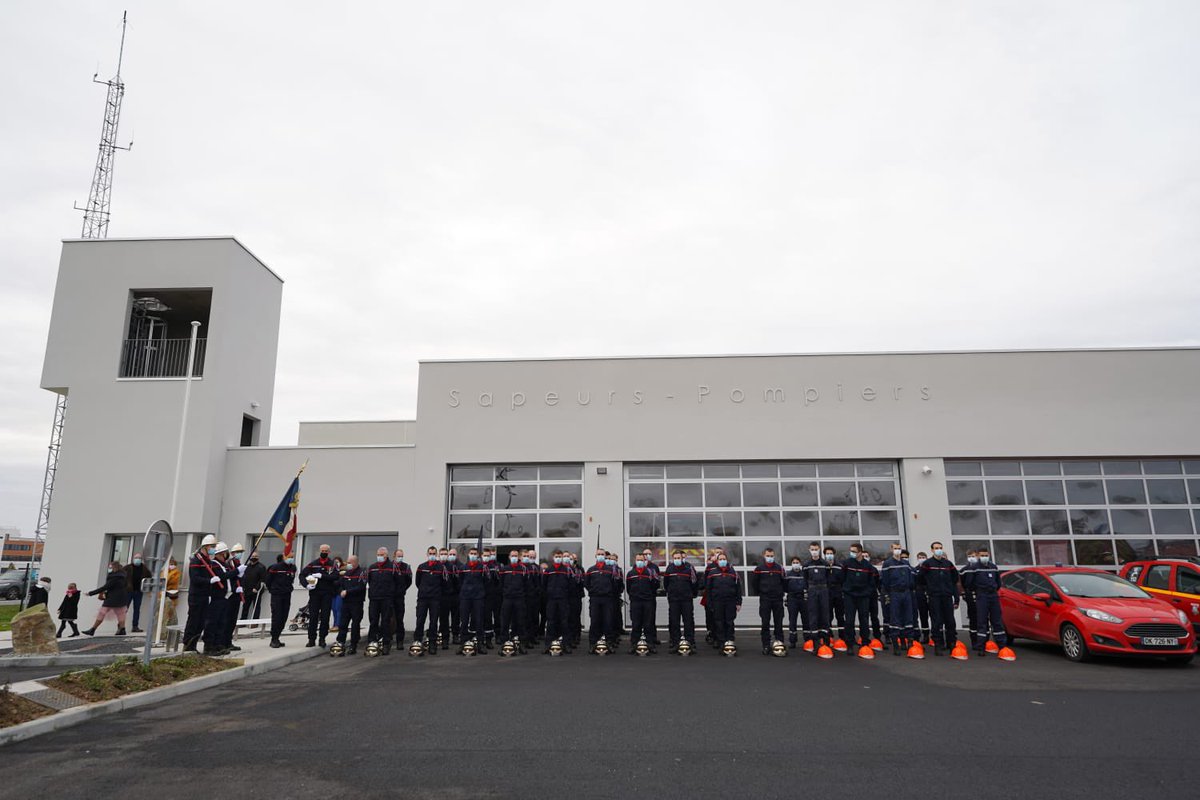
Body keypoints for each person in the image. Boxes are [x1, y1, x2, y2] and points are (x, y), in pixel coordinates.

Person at [918, 542, 960, 656]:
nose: (939, 550)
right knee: (937, 621)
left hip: (947, 596)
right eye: (936, 548)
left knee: (950, 621)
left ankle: (951, 643)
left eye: (940, 548)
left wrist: (950, 590)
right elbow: (920, 578)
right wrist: (929, 588)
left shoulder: (948, 564)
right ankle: (938, 644)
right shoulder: (927, 563)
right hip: (934, 596)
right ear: (932, 550)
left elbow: (955, 577)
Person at [967, 547, 1006, 654]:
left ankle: (1002, 645)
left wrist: (993, 590)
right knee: (982, 621)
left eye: (986, 555)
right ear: (978, 556)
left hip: (993, 595)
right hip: (981, 595)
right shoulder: (975, 568)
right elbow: (970, 584)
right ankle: (981, 647)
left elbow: (998, 582)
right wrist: (978, 591)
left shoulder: (993, 567)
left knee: (997, 621)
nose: (984, 557)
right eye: (982, 555)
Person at [183, 535, 219, 651]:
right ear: (206, 546)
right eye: (212, 546)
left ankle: (193, 646)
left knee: (201, 623)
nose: (213, 549)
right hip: (196, 596)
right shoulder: (196, 560)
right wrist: (209, 581)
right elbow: (195, 578)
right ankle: (188, 646)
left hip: (204, 595)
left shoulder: (207, 560)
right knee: (194, 621)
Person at [299, 544, 339, 648]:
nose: (324, 552)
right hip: (315, 594)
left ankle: (322, 638)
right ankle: (311, 639)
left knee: (325, 617)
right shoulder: (313, 564)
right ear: (319, 551)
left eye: (326, 551)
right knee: (313, 617)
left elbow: (336, 576)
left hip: (327, 593)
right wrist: (306, 585)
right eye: (322, 550)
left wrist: (323, 576)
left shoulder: (333, 564)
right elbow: (302, 575)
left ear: (329, 552)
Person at [881, 542, 917, 655]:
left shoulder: (906, 563)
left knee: (908, 617)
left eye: (899, 548)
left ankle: (909, 642)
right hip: (894, 593)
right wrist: (888, 594)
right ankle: (896, 645)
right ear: (892, 549)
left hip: (906, 593)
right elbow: (885, 581)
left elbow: (911, 578)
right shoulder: (887, 564)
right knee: (895, 618)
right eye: (895, 548)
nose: (898, 550)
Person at [752, 548, 786, 654]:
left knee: (778, 622)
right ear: (764, 555)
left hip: (777, 599)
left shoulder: (779, 568)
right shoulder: (759, 568)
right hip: (765, 599)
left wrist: (781, 592)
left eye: (771, 556)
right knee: (765, 622)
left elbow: (784, 582)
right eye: (768, 555)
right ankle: (766, 645)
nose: (770, 558)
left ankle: (779, 643)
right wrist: (761, 592)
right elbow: (754, 583)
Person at [82, 561, 129, 636]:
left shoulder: (114, 577)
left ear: (114, 567)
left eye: (110, 567)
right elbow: (126, 585)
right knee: (121, 614)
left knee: (102, 612)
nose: (109, 568)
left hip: (112, 598)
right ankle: (122, 629)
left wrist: (90, 593)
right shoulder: (122, 576)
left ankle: (92, 629)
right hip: (121, 598)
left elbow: (105, 587)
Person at [663, 549, 698, 649]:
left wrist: (692, 593)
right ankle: (675, 642)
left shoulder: (689, 568)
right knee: (674, 621)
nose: (677, 560)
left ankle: (690, 641)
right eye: (675, 558)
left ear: (682, 558)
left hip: (686, 599)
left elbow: (694, 582)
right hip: (674, 599)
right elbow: (666, 583)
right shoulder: (669, 569)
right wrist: (670, 592)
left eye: (678, 558)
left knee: (689, 621)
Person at [803, 543, 834, 654]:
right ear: (809, 550)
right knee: (813, 615)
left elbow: (829, 578)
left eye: (816, 549)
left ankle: (826, 642)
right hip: (812, 590)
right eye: (812, 549)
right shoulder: (806, 564)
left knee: (825, 615)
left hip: (823, 589)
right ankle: (815, 643)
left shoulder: (825, 564)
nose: (814, 551)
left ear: (819, 550)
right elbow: (805, 579)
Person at [414, 546, 447, 653]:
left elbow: (444, 583)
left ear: (436, 554)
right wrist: (424, 590)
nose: (432, 555)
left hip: (435, 599)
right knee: (420, 620)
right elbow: (418, 582)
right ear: (427, 554)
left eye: (434, 553)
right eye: (430, 553)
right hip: (423, 598)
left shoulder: (441, 567)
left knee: (433, 622)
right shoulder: (421, 567)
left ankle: (432, 644)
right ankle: (418, 641)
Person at [625, 552, 659, 653]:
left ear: (645, 561)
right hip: (636, 602)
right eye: (638, 560)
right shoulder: (631, 573)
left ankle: (650, 644)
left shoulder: (650, 572)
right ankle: (634, 644)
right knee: (636, 624)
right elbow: (628, 588)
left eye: (642, 560)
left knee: (648, 624)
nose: (640, 562)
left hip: (647, 601)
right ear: (635, 561)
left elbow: (655, 586)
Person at [585, 549, 617, 651]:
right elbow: (586, 583)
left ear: (605, 556)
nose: (600, 556)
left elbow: (614, 584)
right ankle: (593, 643)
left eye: (602, 554)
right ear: (595, 556)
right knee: (594, 621)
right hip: (595, 599)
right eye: (598, 554)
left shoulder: (610, 570)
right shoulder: (591, 570)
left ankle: (609, 643)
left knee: (608, 621)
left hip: (607, 599)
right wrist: (592, 591)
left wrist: (609, 591)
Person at [705, 554, 741, 645]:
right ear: (717, 561)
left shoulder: (733, 572)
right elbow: (708, 590)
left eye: (724, 559)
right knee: (719, 622)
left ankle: (730, 641)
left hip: (730, 602)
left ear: (727, 560)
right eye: (720, 559)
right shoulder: (712, 573)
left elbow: (738, 589)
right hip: (717, 602)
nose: (722, 560)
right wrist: (709, 603)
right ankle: (721, 642)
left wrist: (738, 602)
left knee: (729, 622)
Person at [366, 547, 396, 653]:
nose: (380, 556)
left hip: (386, 598)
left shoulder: (392, 567)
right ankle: (372, 641)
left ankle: (386, 643)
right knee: (373, 620)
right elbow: (368, 581)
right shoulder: (372, 567)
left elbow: (398, 582)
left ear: (386, 555)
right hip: (374, 598)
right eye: (378, 554)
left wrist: (392, 594)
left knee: (385, 621)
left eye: (382, 555)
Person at [542, 550, 574, 652]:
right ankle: (548, 645)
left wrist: (566, 594)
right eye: (557, 556)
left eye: (560, 556)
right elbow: (544, 584)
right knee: (550, 622)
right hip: (551, 600)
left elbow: (571, 584)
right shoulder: (548, 570)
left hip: (563, 600)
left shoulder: (566, 570)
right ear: (553, 557)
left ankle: (566, 644)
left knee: (564, 622)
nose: (559, 558)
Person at [458, 546, 489, 647]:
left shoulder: (482, 568)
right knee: (464, 620)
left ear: (478, 556)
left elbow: (486, 581)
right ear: (468, 554)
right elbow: (460, 581)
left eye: (475, 554)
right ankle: (463, 643)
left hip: (478, 597)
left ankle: (480, 643)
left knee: (479, 620)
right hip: (465, 597)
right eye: (471, 553)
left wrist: (480, 591)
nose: (473, 555)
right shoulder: (463, 568)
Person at [335, 555, 367, 654]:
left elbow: (361, 586)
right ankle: (341, 642)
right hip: (346, 602)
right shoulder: (346, 573)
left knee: (355, 624)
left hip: (356, 602)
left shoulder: (362, 573)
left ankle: (353, 644)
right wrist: (341, 591)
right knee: (343, 623)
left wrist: (348, 592)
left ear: (355, 562)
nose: (348, 564)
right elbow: (339, 584)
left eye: (349, 562)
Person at [498, 549, 527, 649]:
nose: (514, 557)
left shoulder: (522, 569)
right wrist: (505, 593)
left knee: (520, 621)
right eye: (512, 556)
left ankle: (520, 641)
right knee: (505, 620)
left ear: (518, 557)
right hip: (507, 598)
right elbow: (500, 583)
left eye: (516, 556)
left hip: (519, 598)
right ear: (509, 557)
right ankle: (504, 641)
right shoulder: (504, 569)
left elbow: (525, 584)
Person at [266, 552, 296, 648]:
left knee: (284, 617)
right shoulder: (275, 567)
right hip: (277, 595)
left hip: (287, 594)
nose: (290, 559)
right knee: (277, 617)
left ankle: (278, 637)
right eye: (289, 557)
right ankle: (274, 639)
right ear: (284, 557)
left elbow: (291, 580)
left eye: (292, 557)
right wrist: (273, 590)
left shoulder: (293, 568)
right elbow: (268, 580)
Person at [785, 555, 807, 649]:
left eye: (797, 562)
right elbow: (785, 587)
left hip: (803, 599)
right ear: (791, 564)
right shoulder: (788, 574)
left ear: (800, 563)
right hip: (792, 599)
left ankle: (808, 639)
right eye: (794, 563)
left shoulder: (804, 574)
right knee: (792, 620)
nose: (795, 564)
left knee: (806, 620)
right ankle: (792, 641)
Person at [391, 548, 412, 647]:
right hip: (389, 596)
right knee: (388, 618)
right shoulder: (389, 566)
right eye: (398, 556)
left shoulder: (406, 567)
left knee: (399, 618)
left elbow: (409, 581)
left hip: (399, 597)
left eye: (401, 556)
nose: (400, 558)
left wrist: (402, 589)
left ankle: (400, 641)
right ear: (394, 556)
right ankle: (387, 638)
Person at [482, 547, 502, 648]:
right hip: (485, 596)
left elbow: (500, 580)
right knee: (487, 618)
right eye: (485, 555)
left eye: (488, 555)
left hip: (496, 596)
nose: (487, 557)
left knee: (497, 616)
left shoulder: (496, 566)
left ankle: (498, 635)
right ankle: (488, 638)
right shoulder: (480, 566)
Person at [124, 552, 148, 633]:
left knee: (137, 609)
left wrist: (146, 588)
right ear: (133, 559)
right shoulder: (127, 567)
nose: (137, 559)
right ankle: (121, 626)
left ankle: (135, 626)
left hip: (138, 592)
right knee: (124, 609)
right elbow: (121, 577)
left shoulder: (144, 568)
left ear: (141, 560)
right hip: (128, 591)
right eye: (136, 558)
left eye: (139, 558)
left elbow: (149, 578)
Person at [959, 549, 980, 644]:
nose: (972, 558)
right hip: (970, 595)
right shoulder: (964, 570)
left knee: (983, 617)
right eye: (970, 556)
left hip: (981, 594)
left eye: (973, 556)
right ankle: (974, 640)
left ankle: (984, 639)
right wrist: (964, 593)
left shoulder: (982, 568)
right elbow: (961, 583)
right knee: (973, 617)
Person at [826, 546, 846, 643]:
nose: (829, 555)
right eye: (827, 554)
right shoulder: (823, 566)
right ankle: (829, 636)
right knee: (828, 616)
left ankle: (842, 636)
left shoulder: (839, 566)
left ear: (834, 554)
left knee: (840, 616)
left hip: (838, 592)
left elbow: (843, 580)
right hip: (827, 593)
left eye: (831, 553)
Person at [158, 557, 182, 640]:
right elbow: (162, 581)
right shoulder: (164, 572)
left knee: (170, 615)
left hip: (172, 596)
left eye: (173, 564)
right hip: (163, 595)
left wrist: (168, 574)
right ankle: (162, 633)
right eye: (170, 564)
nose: (171, 566)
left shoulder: (176, 572)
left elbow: (169, 581)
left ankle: (167, 633)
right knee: (162, 615)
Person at [240, 550, 268, 620]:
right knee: (245, 606)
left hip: (256, 591)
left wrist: (256, 588)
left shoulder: (261, 567)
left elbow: (263, 579)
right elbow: (243, 578)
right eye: (253, 556)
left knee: (256, 606)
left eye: (256, 556)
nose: (254, 557)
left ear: (258, 557)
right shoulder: (246, 567)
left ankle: (255, 622)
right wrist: (243, 587)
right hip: (247, 590)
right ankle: (243, 621)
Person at [912, 551, 931, 644]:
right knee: (923, 615)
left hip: (931, 592)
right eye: (920, 557)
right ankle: (925, 635)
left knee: (935, 615)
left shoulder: (930, 567)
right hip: (920, 593)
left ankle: (936, 635)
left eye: (923, 557)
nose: (922, 559)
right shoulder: (915, 569)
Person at [329, 555, 345, 633]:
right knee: (334, 609)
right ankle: (335, 624)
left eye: (338, 562)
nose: (336, 563)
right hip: (333, 593)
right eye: (335, 562)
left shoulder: (343, 571)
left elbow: (340, 582)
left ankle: (338, 625)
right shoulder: (331, 571)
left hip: (339, 592)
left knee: (339, 609)